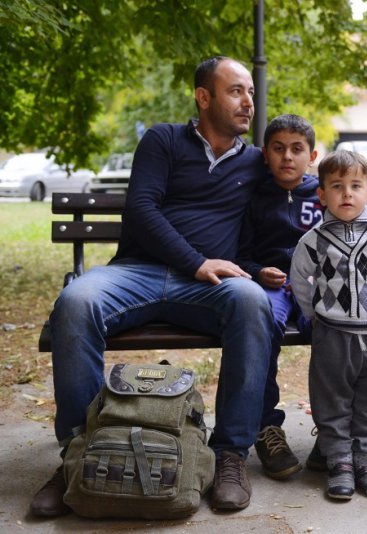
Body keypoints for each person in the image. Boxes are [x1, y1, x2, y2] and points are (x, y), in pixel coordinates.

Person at [30, 56, 272, 516]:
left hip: (211, 285)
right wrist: (196, 261)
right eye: (236, 91)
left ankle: (230, 457)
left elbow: (299, 187)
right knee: (76, 301)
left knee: (251, 301)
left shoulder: (256, 163)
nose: (248, 103)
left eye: (251, 93)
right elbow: (141, 209)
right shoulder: (163, 140)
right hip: (137, 272)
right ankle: (77, 459)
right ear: (203, 97)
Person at [290, 150, 367, 500]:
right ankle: (339, 462)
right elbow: (300, 279)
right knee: (332, 400)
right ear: (322, 194)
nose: (347, 194)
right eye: (337, 186)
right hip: (332, 333)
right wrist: (314, 313)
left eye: (355, 186)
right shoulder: (313, 240)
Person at [236, 113, 322, 479]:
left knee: (330, 327)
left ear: (312, 156)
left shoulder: (323, 194)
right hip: (270, 287)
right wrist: (257, 272)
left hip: (314, 285)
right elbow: (239, 253)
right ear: (265, 154)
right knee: (263, 325)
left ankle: (334, 428)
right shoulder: (253, 199)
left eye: (297, 149)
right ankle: (267, 427)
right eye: (278, 148)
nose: (287, 156)